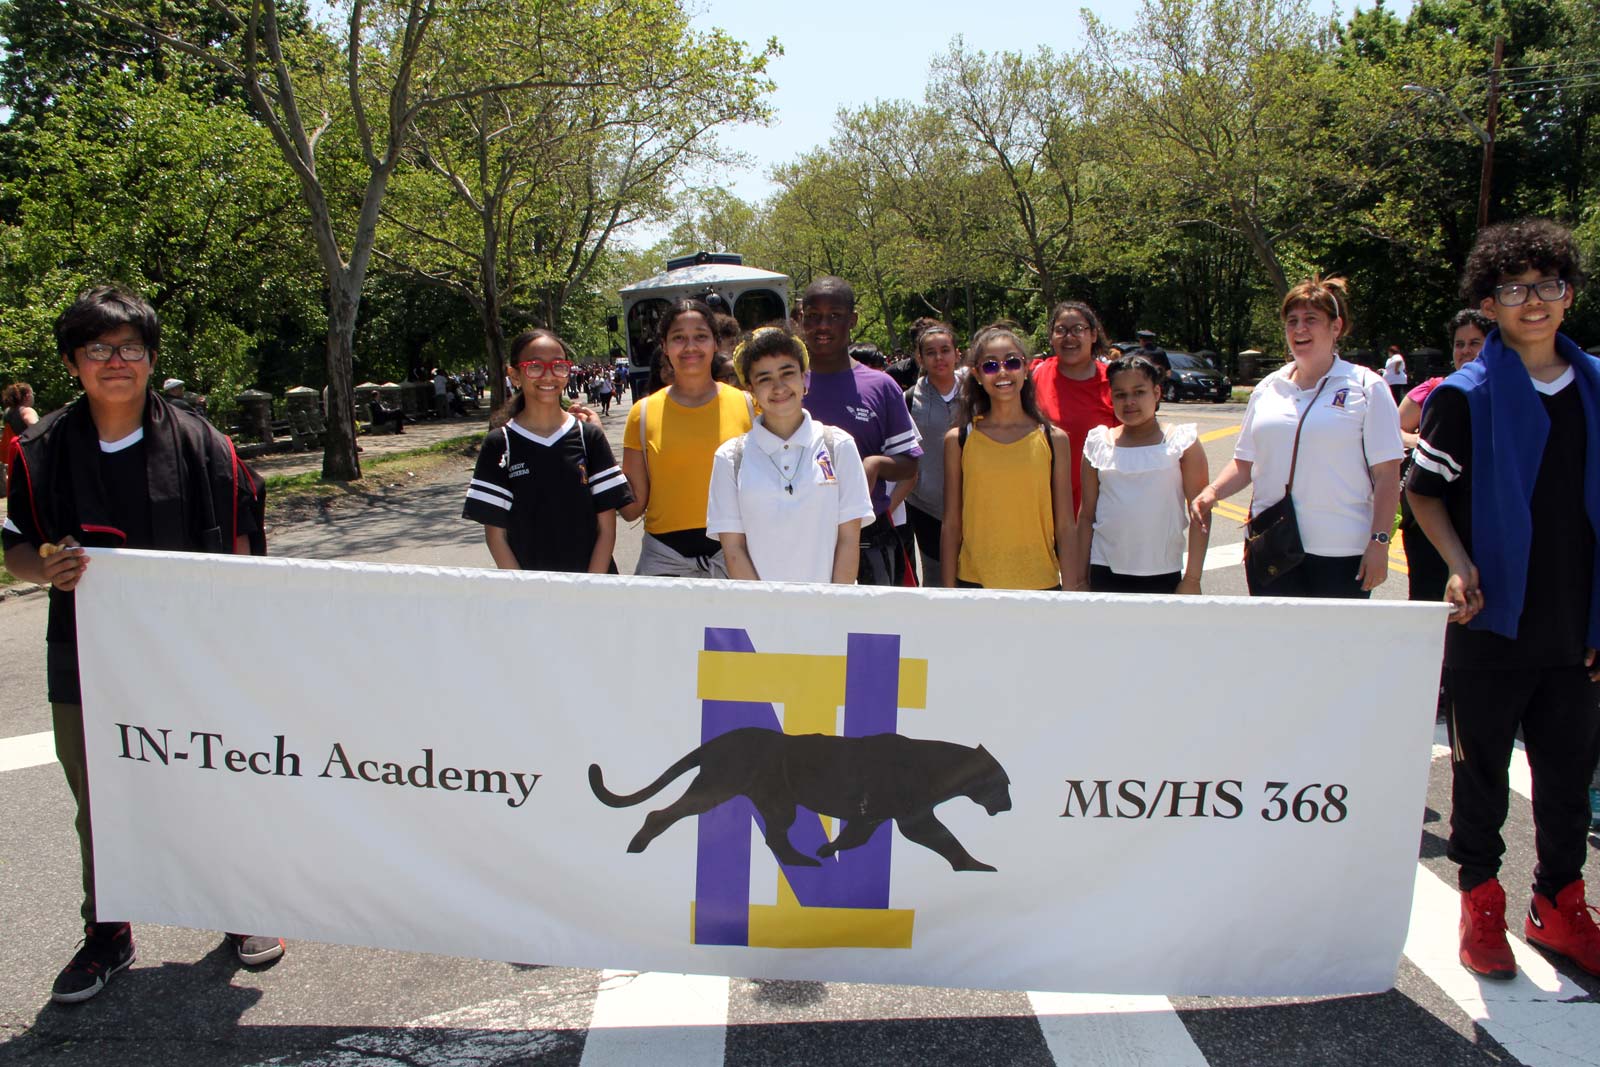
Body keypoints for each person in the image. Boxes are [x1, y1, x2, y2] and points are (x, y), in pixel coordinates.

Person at [1, 286, 281, 1004]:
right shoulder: (39, 452)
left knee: (213, 774)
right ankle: (108, 929)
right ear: (73, 363)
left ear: (152, 359)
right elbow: (17, 548)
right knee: (99, 793)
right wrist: (46, 567)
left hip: (197, 654)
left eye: (130, 347)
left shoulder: (203, 443)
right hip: (85, 656)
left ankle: (239, 904)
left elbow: (245, 539)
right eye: (98, 349)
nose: (115, 361)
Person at [1405, 218, 1600, 981]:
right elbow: (1424, 493)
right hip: (1492, 621)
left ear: (1569, 293)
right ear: (1489, 303)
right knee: (1481, 772)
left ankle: (1559, 903)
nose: (1534, 303)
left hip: (1576, 621)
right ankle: (1480, 900)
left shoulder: (1592, 387)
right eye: (1515, 290)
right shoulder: (1464, 396)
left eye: (1548, 286)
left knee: (1566, 775)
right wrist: (1457, 562)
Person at [1191, 275, 1403, 599]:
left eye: (1311, 320)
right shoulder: (1267, 388)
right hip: (1273, 547)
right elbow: (1244, 462)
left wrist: (1379, 542)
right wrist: (1211, 493)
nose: (1299, 329)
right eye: (1292, 321)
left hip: (1340, 553)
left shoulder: (1367, 386)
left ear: (1336, 327)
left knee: (1333, 649)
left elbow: (1387, 475)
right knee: (1275, 648)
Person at [706, 325, 873, 583]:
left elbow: (849, 539)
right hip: (762, 616)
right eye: (764, 378)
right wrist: (767, 616)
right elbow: (733, 549)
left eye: (787, 373)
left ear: (805, 378)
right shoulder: (730, 458)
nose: (779, 387)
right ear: (750, 388)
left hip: (828, 612)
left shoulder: (839, 446)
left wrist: (834, 611)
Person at [464, 330, 631, 573]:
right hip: (531, 595)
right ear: (515, 375)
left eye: (558, 366)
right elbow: (496, 536)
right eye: (535, 366)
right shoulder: (500, 443)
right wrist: (526, 591)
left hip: (594, 588)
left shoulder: (589, 436)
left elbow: (606, 529)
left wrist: (591, 588)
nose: (548, 375)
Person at [799, 277, 922, 586]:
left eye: (835, 316)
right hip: (801, 533)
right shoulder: (785, 385)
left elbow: (910, 463)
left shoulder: (881, 386)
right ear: (802, 319)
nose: (822, 325)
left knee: (871, 631)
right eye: (813, 316)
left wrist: (875, 465)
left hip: (869, 536)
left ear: (852, 319)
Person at [621, 298, 753, 578]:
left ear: (716, 343)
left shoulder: (749, 406)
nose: (690, 347)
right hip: (664, 563)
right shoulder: (642, 414)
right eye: (678, 338)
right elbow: (632, 508)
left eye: (701, 337)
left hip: (735, 558)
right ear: (665, 346)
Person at [940, 325, 1074, 590]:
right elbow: (952, 523)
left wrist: (1071, 593)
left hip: (1040, 583)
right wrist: (947, 592)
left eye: (1012, 362)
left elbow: (1066, 525)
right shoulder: (959, 440)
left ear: (1026, 368)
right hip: (975, 583)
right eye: (990, 365)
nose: (1002, 372)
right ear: (977, 374)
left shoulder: (1054, 439)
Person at [1076, 354, 1209, 594]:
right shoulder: (1098, 443)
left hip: (1162, 571)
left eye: (1139, 392)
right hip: (1104, 569)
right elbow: (1086, 515)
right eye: (1121, 394)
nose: (1130, 402)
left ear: (1156, 393)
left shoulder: (1182, 442)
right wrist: (1080, 579)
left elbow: (1200, 513)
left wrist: (1192, 578)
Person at [1397, 308, 1493, 601]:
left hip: (1479, 522)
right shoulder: (1437, 390)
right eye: (1459, 344)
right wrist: (1423, 443)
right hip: (1428, 519)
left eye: (1474, 343)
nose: (1465, 351)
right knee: (1427, 600)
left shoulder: (1507, 394)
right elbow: (1391, 430)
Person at [1031, 301, 1118, 516]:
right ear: (1051, 337)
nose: (1069, 337)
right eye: (1061, 330)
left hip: (1099, 509)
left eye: (1078, 329)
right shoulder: (1035, 376)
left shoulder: (1115, 383)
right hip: (1044, 506)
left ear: (1094, 335)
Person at [902, 321, 963, 584]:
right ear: (920, 358)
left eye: (945, 350)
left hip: (974, 503)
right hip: (927, 506)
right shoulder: (909, 399)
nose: (939, 358)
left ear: (957, 354)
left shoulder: (978, 391)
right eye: (930, 352)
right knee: (937, 578)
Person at [2, 381, 40, 494]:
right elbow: (38, 430)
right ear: (28, 395)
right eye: (33, 394)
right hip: (29, 457)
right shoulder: (27, 411)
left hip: (14, 456)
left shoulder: (8, 412)